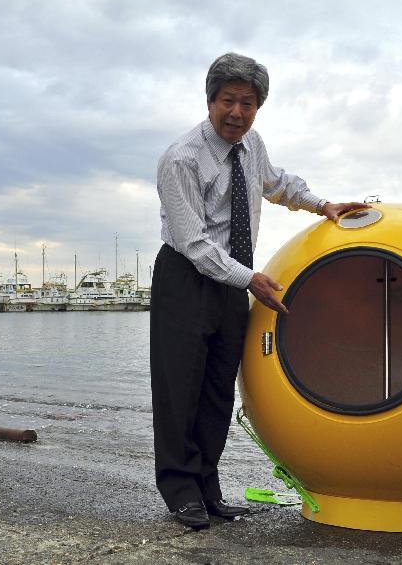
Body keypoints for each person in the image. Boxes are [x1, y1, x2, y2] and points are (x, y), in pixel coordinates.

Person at [151, 52, 368, 530]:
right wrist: (250, 279)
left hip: (232, 279)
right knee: (179, 388)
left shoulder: (252, 145)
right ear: (210, 101)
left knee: (217, 391)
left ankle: (208, 488)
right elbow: (193, 243)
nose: (237, 113)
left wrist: (323, 205)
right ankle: (180, 490)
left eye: (247, 104)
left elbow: (277, 184)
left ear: (257, 108)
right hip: (187, 277)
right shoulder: (181, 158)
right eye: (228, 101)